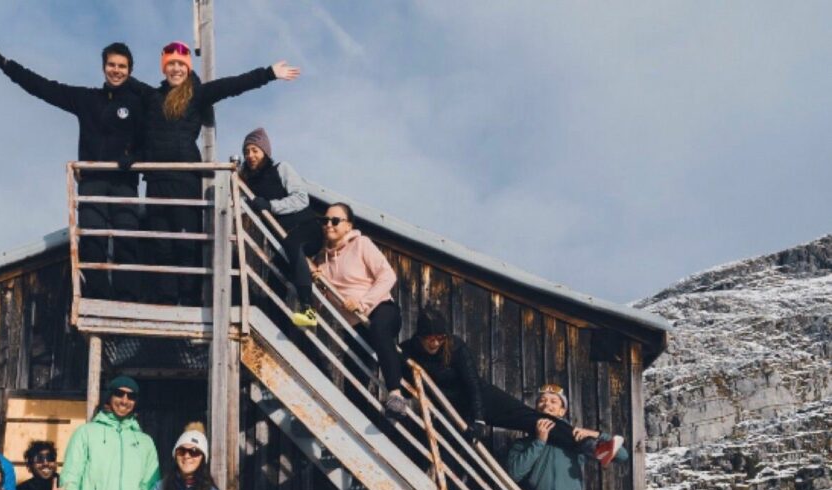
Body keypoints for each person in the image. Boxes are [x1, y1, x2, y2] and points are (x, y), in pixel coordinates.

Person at [0, 29, 143, 300]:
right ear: (103, 68)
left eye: (122, 66)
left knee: (127, 239)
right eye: (112, 65)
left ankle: (126, 299)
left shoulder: (139, 105)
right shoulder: (87, 99)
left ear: (130, 70)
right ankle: (99, 296)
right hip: (93, 181)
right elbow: (43, 87)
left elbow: (153, 138)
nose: (116, 70)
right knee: (93, 240)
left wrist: (135, 158)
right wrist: (2, 62)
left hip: (124, 181)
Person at [138, 42, 299, 305]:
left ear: (187, 68)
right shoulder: (152, 97)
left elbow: (232, 85)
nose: (176, 68)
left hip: (185, 180)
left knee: (186, 243)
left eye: (181, 64)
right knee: (161, 244)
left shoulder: (196, 94)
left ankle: (189, 302)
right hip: (156, 180)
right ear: (164, 67)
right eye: (171, 64)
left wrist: (268, 73)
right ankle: (167, 301)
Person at [399, 307, 593, 447]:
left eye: (440, 338)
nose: (434, 343)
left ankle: (589, 443)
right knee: (446, 446)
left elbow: (472, 384)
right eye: (429, 339)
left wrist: (479, 420)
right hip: (451, 408)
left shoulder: (455, 347)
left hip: (482, 399)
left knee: (531, 419)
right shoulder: (408, 350)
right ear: (419, 337)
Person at [311, 203, 408, 419]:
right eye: (325, 221)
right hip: (354, 325)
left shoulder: (361, 244)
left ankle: (396, 396)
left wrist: (363, 303)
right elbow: (322, 303)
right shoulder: (322, 261)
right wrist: (318, 285)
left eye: (335, 221)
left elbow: (388, 276)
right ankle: (357, 419)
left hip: (380, 308)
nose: (328, 225)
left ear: (348, 226)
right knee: (354, 373)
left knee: (380, 332)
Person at [505, 384, 628, 490]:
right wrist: (539, 441)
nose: (546, 405)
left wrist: (594, 434)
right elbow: (512, 475)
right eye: (542, 401)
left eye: (553, 401)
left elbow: (622, 455)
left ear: (562, 411)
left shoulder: (576, 439)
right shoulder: (523, 444)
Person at [238, 127, 319, 327]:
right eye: (247, 151)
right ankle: (275, 323)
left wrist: (272, 205)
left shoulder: (281, 168)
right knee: (276, 276)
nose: (250, 155)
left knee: (293, 244)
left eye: (255, 150)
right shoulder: (249, 183)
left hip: (307, 228)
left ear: (265, 152)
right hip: (284, 239)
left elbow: (301, 199)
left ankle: (308, 309)